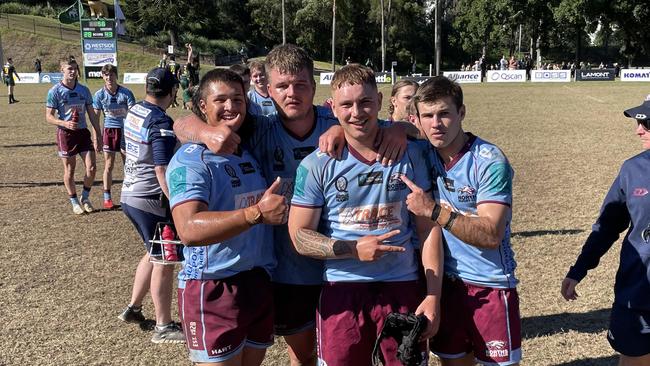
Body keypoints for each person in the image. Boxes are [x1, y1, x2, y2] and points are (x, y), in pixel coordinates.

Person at [173, 44, 407, 366]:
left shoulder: (338, 119)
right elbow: (181, 124)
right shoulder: (259, 127)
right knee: (305, 354)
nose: (292, 93)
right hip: (287, 270)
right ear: (268, 90)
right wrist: (205, 132)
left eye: (300, 84)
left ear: (313, 86)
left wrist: (397, 129)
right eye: (282, 86)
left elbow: (395, 127)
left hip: (346, 268)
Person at [287, 64, 443, 365]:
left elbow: (428, 230)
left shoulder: (410, 154)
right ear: (333, 108)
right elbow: (299, 236)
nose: (356, 112)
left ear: (381, 101)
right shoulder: (316, 164)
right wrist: (353, 250)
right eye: (346, 105)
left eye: (365, 102)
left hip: (402, 285)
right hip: (342, 290)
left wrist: (434, 295)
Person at [168, 68, 288, 365]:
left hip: (257, 282)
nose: (231, 107)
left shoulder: (245, 150)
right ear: (202, 107)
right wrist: (256, 214)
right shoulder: (191, 159)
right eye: (220, 100)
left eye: (238, 99)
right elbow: (188, 229)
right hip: (213, 286)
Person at [401, 76, 521, 366]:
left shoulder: (489, 160)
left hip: (490, 286)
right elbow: (379, 129)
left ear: (462, 113)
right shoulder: (422, 152)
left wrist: (433, 211)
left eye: (444, 113)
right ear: (417, 118)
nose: (436, 123)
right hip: (445, 287)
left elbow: (491, 234)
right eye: (427, 116)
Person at [561, 95, 650, 366]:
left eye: (647, 122)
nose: (639, 129)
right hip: (638, 295)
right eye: (638, 122)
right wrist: (579, 270)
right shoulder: (633, 170)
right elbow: (607, 227)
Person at [117, 67, 185, 344]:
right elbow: (161, 168)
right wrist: (176, 202)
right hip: (151, 200)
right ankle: (163, 326)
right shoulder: (160, 122)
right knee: (165, 260)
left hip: (130, 195)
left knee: (152, 251)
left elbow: (124, 149)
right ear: (172, 92)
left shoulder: (134, 111)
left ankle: (133, 308)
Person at [45, 57, 101, 214]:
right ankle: (74, 201)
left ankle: (85, 197)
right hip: (66, 134)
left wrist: (98, 134)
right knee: (70, 170)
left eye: (75, 68)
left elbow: (92, 115)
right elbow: (48, 117)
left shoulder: (84, 90)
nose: (73, 71)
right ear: (61, 70)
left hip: (83, 133)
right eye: (69, 69)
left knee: (91, 167)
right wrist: (64, 123)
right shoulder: (55, 91)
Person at [92, 64, 136, 209]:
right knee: (108, 165)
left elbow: (133, 116)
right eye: (106, 75)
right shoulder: (99, 95)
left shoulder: (126, 93)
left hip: (126, 132)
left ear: (116, 76)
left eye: (111, 75)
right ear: (102, 76)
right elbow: (95, 119)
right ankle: (107, 197)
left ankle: (129, 196)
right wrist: (96, 138)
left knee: (128, 165)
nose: (109, 78)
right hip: (109, 131)